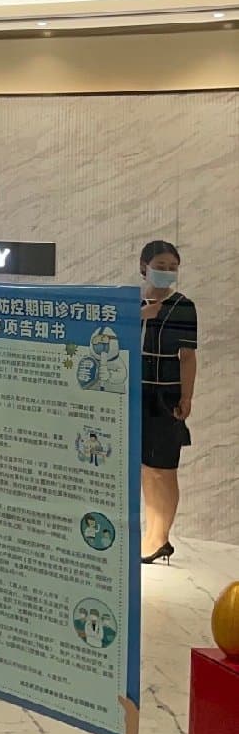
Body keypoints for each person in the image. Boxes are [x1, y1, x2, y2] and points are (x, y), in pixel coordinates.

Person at [138, 238, 197, 564]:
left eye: (172, 267)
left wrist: (186, 396)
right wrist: (141, 315)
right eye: (161, 266)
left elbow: (187, 356)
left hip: (164, 398)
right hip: (133, 394)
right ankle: (152, 534)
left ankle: (160, 538)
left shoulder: (183, 306)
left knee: (163, 468)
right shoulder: (129, 303)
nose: (167, 272)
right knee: (146, 469)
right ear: (143, 267)